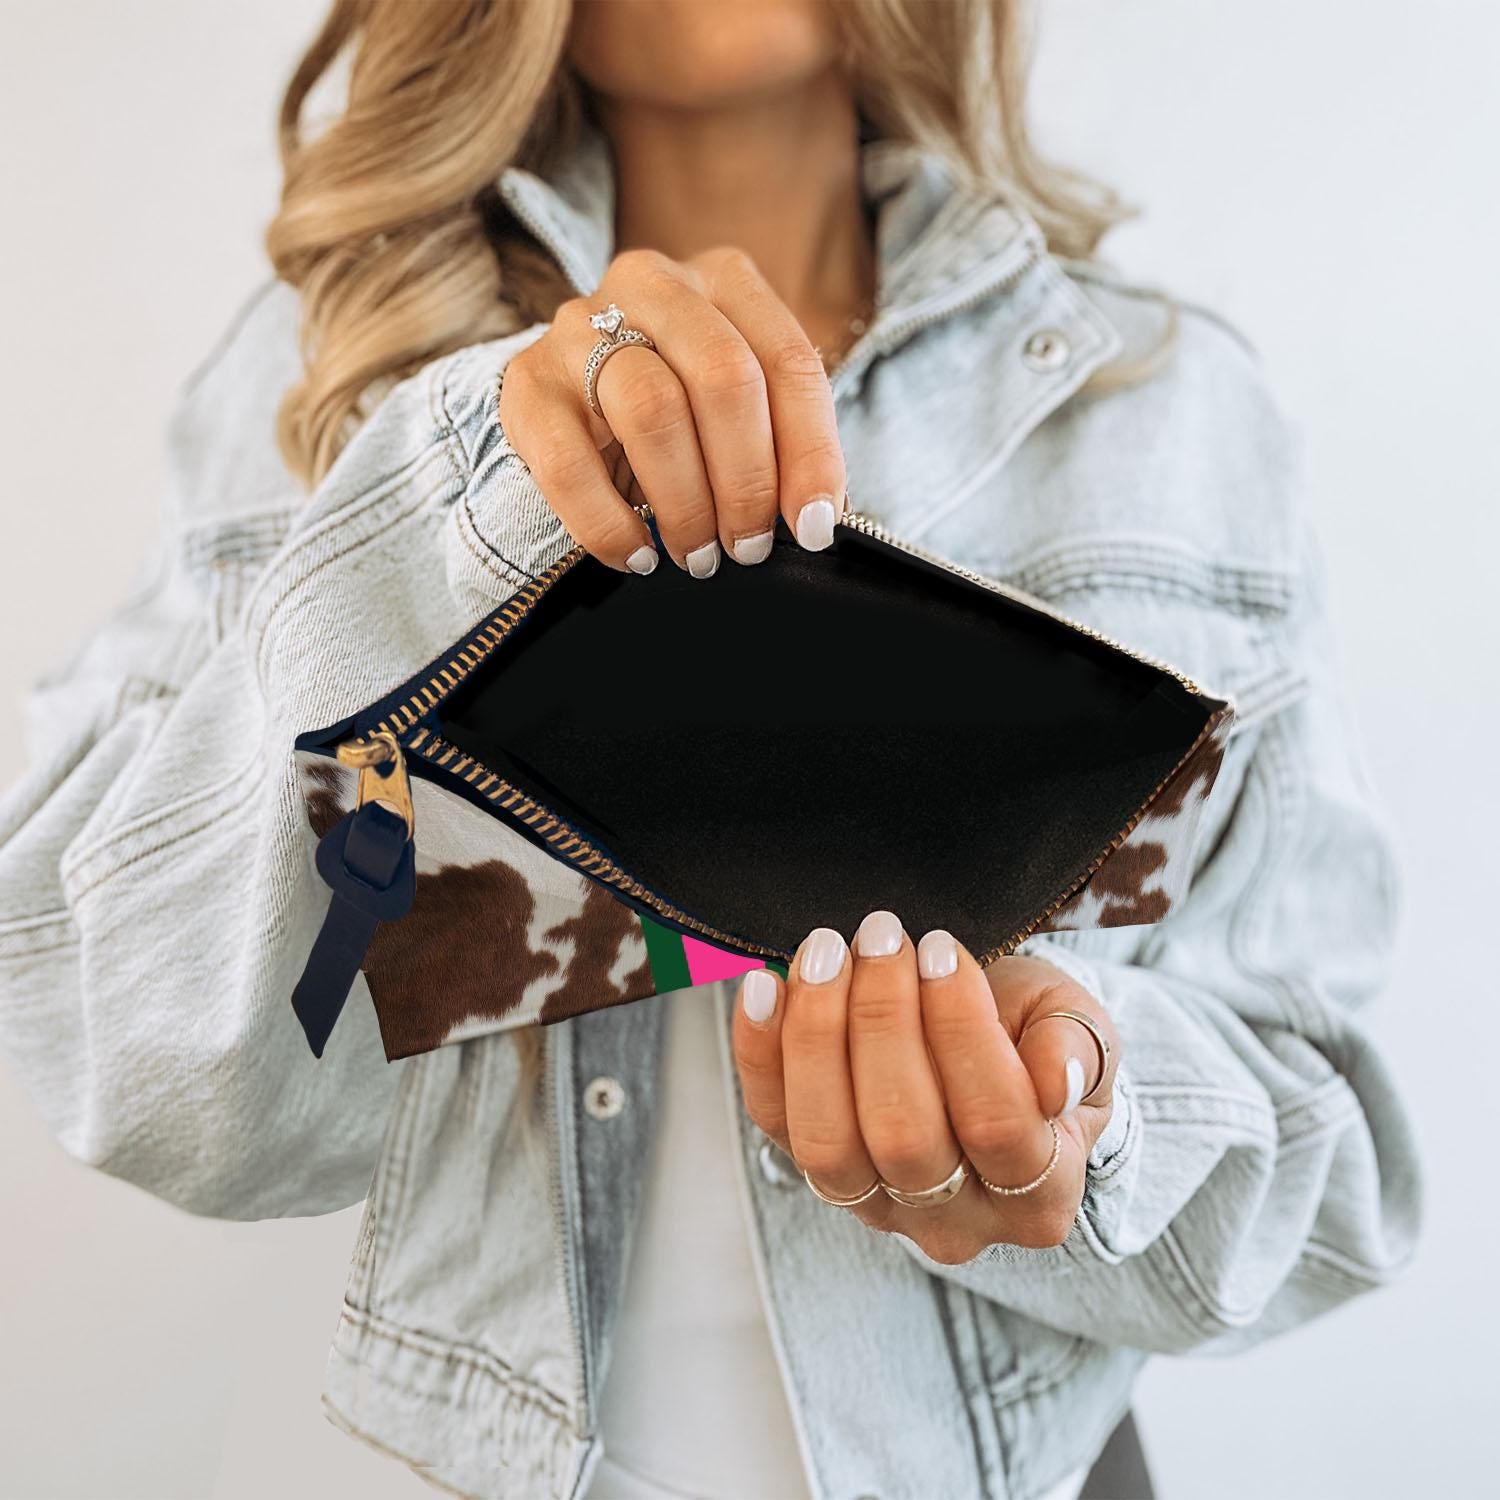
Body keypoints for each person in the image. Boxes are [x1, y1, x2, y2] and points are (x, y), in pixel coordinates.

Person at [0, 2, 1423, 1498]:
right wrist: (455, 500)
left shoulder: (1170, 412)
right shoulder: (330, 382)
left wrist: (1088, 1119)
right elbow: (116, 1047)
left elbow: (1334, 1156)